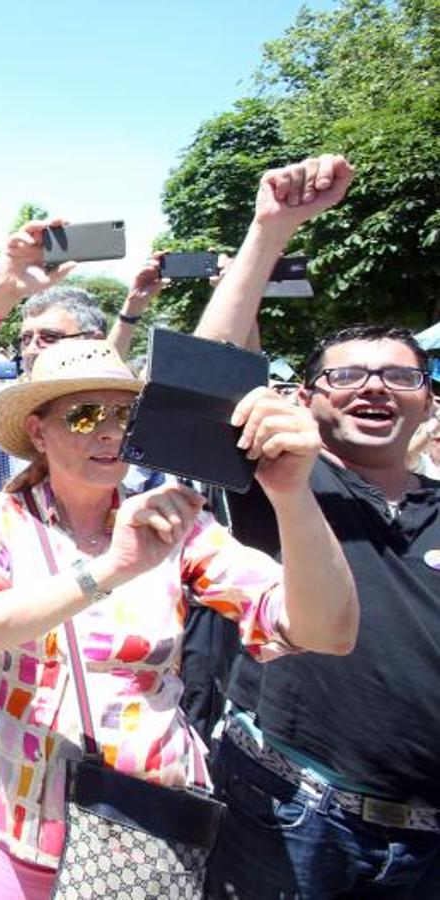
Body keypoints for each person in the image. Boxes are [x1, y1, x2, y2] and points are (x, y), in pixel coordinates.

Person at [0, 338, 357, 899]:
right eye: (86, 414)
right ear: (39, 433)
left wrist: (292, 497)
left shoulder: (174, 523)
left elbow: (325, 632)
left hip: (142, 832)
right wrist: (111, 568)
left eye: (125, 414)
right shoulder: (1, 517)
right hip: (18, 827)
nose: (110, 431)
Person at [195, 153, 440, 898]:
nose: (373, 386)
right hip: (288, 815)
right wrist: (268, 232)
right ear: (305, 400)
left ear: (427, 403)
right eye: (346, 375)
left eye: (400, 375)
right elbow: (204, 374)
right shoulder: (284, 476)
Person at [0, 224, 162, 492]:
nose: (33, 349)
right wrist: (3, 291)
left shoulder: (133, 413)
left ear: (93, 340)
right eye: (26, 339)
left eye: (49, 337)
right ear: (35, 431)